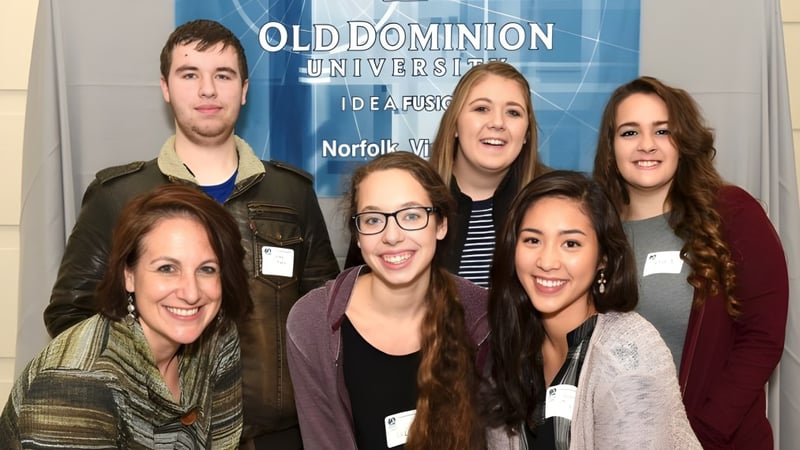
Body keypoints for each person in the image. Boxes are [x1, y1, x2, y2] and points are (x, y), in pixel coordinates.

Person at [42, 19, 340, 449]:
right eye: (189, 74)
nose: (207, 90)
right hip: (155, 436)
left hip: (275, 438)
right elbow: (70, 316)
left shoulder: (291, 193)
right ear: (165, 87)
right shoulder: (118, 196)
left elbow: (324, 316)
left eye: (223, 75)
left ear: (244, 89)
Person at [593, 76, 789, 449]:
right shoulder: (594, 230)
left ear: (683, 142)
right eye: (630, 132)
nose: (646, 145)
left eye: (663, 131)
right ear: (611, 146)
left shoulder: (732, 214)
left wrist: (701, 433)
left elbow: (762, 340)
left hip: (713, 439)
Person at [1, 184, 252, 448]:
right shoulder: (75, 381)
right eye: (167, 268)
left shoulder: (218, 334)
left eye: (207, 269)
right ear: (128, 275)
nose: (191, 293)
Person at [287, 151, 489, 449]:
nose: (392, 236)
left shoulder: (481, 316)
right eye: (373, 219)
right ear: (357, 235)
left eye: (411, 216)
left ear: (441, 224)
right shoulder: (313, 322)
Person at [484, 170, 700, 449]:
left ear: (603, 259)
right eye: (532, 240)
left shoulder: (628, 355)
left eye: (570, 243)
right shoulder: (508, 344)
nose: (547, 261)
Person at [346, 61, 549, 287]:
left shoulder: (555, 200)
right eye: (481, 109)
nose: (497, 123)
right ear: (454, 125)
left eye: (513, 112)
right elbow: (354, 298)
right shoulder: (405, 193)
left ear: (526, 133)